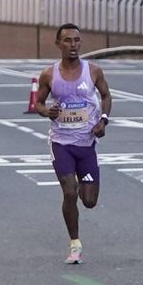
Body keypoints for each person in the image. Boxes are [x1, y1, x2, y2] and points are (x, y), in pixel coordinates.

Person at [33, 24, 113, 264]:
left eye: (77, 41)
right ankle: (75, 244)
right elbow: (38, 103)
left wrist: (103, 121)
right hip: (61, 143)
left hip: (86, 143)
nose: (73, 45)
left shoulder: (94, 71)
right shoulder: (49, 74)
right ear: (58, 44)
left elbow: (106, 96)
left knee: (89, 200)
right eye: (67, 41)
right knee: (69, 191)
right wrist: (48, 111)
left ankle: (80, 183)